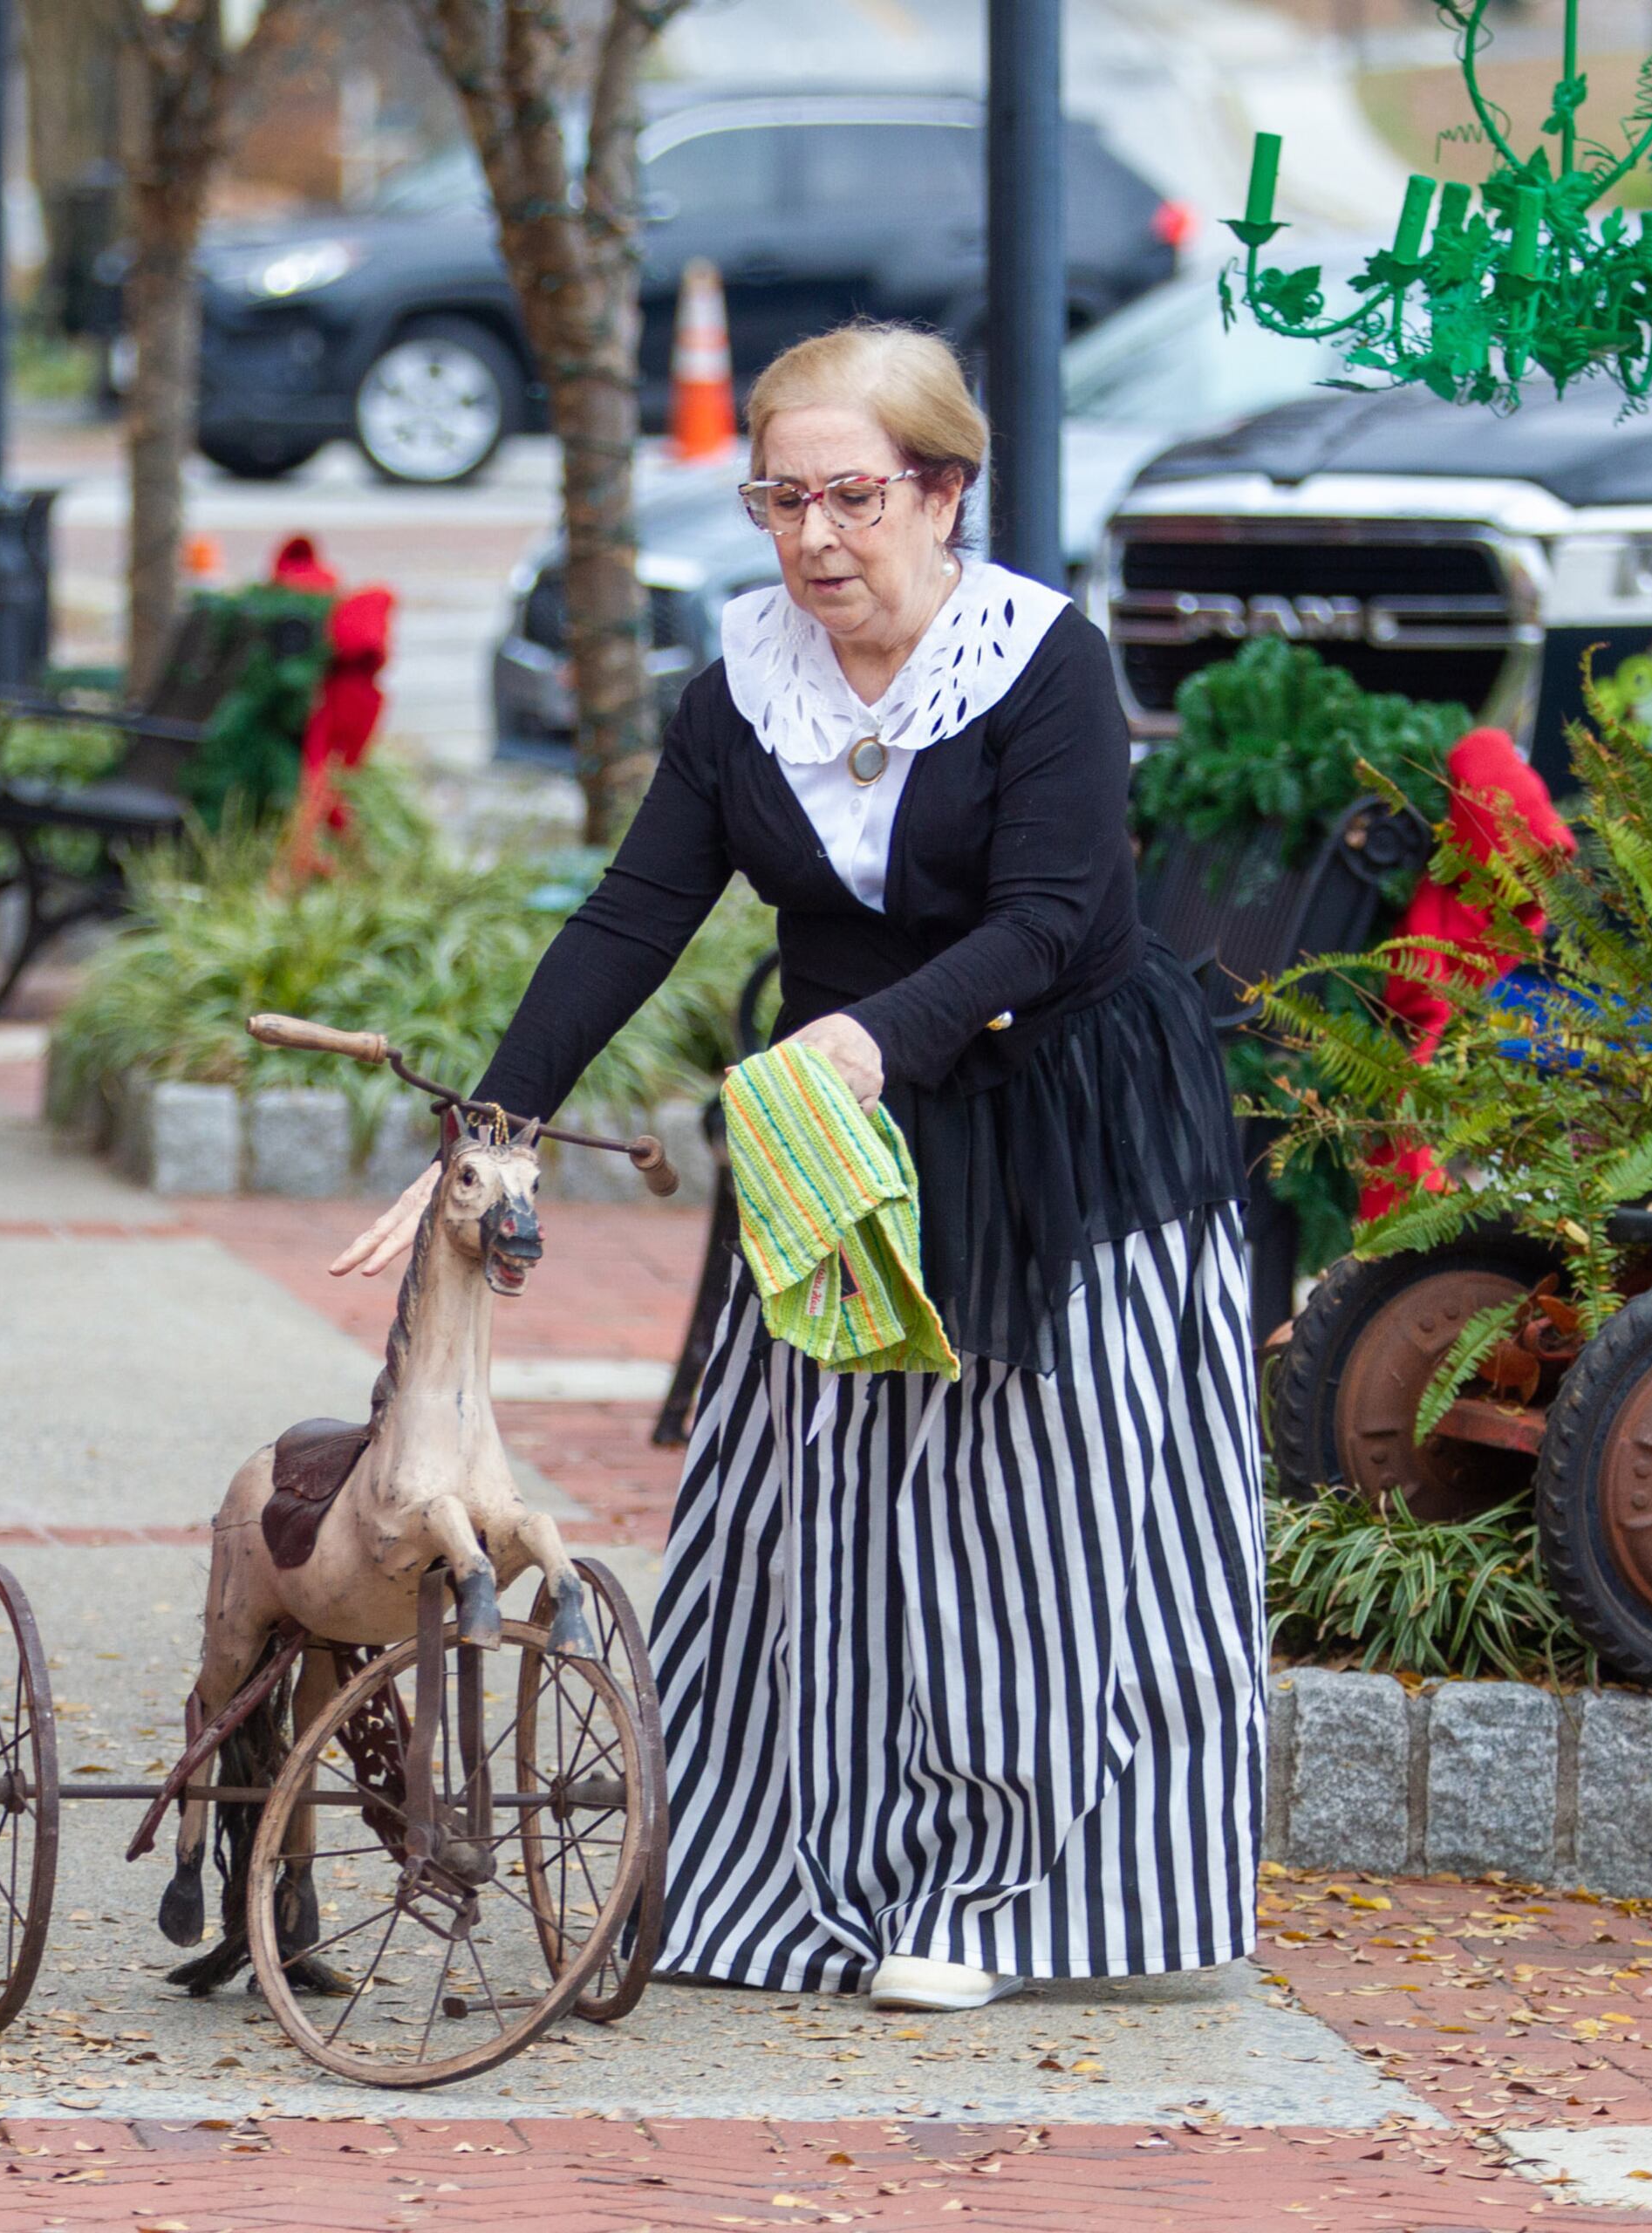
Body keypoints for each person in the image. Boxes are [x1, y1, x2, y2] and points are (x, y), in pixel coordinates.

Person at [331, 323, 1262, 2012]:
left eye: (854, 495)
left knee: (1025, 1521)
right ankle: (792, 1868)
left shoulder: (1041, 664)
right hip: (841, 1137)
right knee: (817, 1512)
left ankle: (993, 1894)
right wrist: (498, 1118)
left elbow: (1052, 921)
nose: (816, 536)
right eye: (783, 498)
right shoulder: (738, 691)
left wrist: (867, 1036)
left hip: (1054, 1124)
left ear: (944, 490)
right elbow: (632, 917)